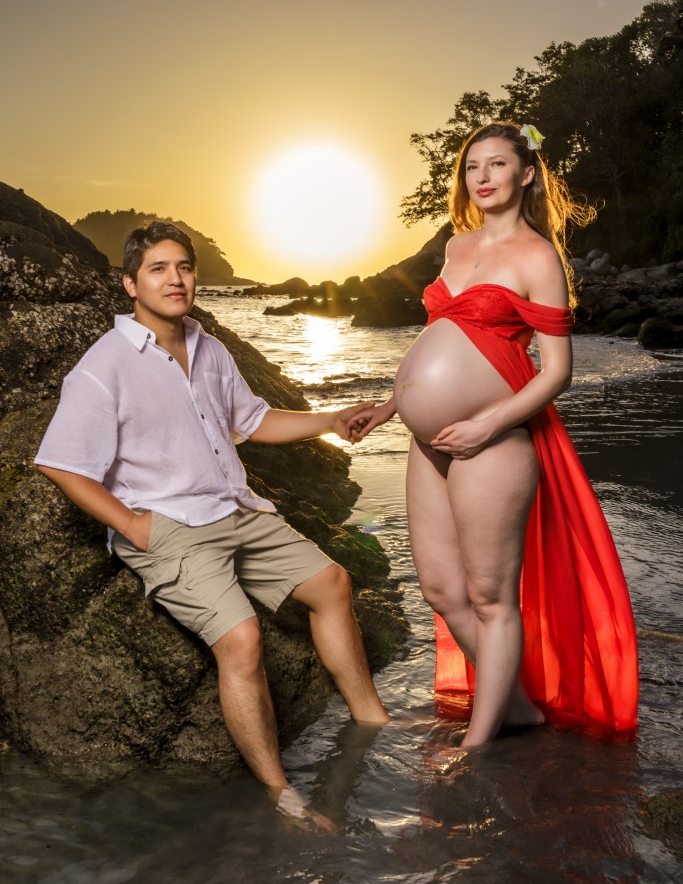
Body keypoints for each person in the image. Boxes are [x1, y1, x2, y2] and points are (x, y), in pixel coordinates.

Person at [35, 220, 389, 820]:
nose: (175, 280)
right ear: (129, 284)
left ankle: (372, 718)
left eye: (184, 267)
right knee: (243, 640)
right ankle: (283, 794)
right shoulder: (105, 365)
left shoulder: (208, 346)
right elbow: (61, 464)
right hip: (168, 525)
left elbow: (253, 421)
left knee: (332, 583)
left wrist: (329, 420)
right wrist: (134, 527)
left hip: (233, 508)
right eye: (158, 269)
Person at [354, 122, 639, 748]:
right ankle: (518, 709)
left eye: (497, 165)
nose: (482, 178)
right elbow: (442, 341)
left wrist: (488, 421)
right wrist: (391, 404)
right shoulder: (457, 247)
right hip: (428, 442)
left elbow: (557, 371)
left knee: (489, 596)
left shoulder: (537, 256)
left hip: (493, 442)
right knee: (440, 588)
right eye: (472, 167)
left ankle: (478, 748)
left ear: (526, 174)